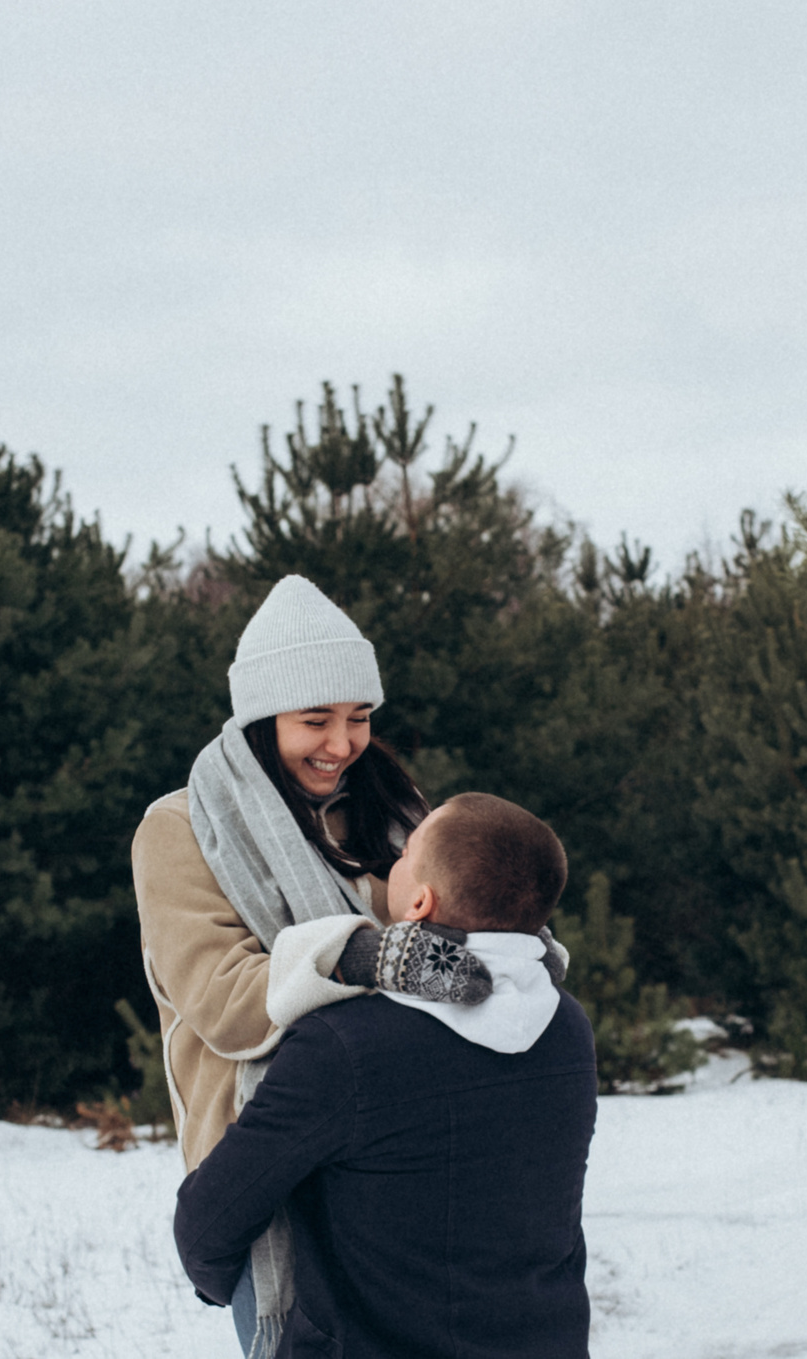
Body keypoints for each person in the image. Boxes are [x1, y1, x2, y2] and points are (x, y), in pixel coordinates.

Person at [133, 574, 507, 1356]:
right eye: (316, 720)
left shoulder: (390, 811)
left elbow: (467, 934)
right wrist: (371, 955)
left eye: (359, 718)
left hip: (403, 1161)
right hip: (278, 1171)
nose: (342, 744)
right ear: (263, 719)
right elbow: (228, 1001)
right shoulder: (180, 831)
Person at [174, 793, 598, 1359]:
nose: (389, 864)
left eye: (405, 856)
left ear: (420, 901)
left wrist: (226, 1286)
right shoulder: (567, 1025)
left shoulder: (346, 1045)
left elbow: (211, 1219)